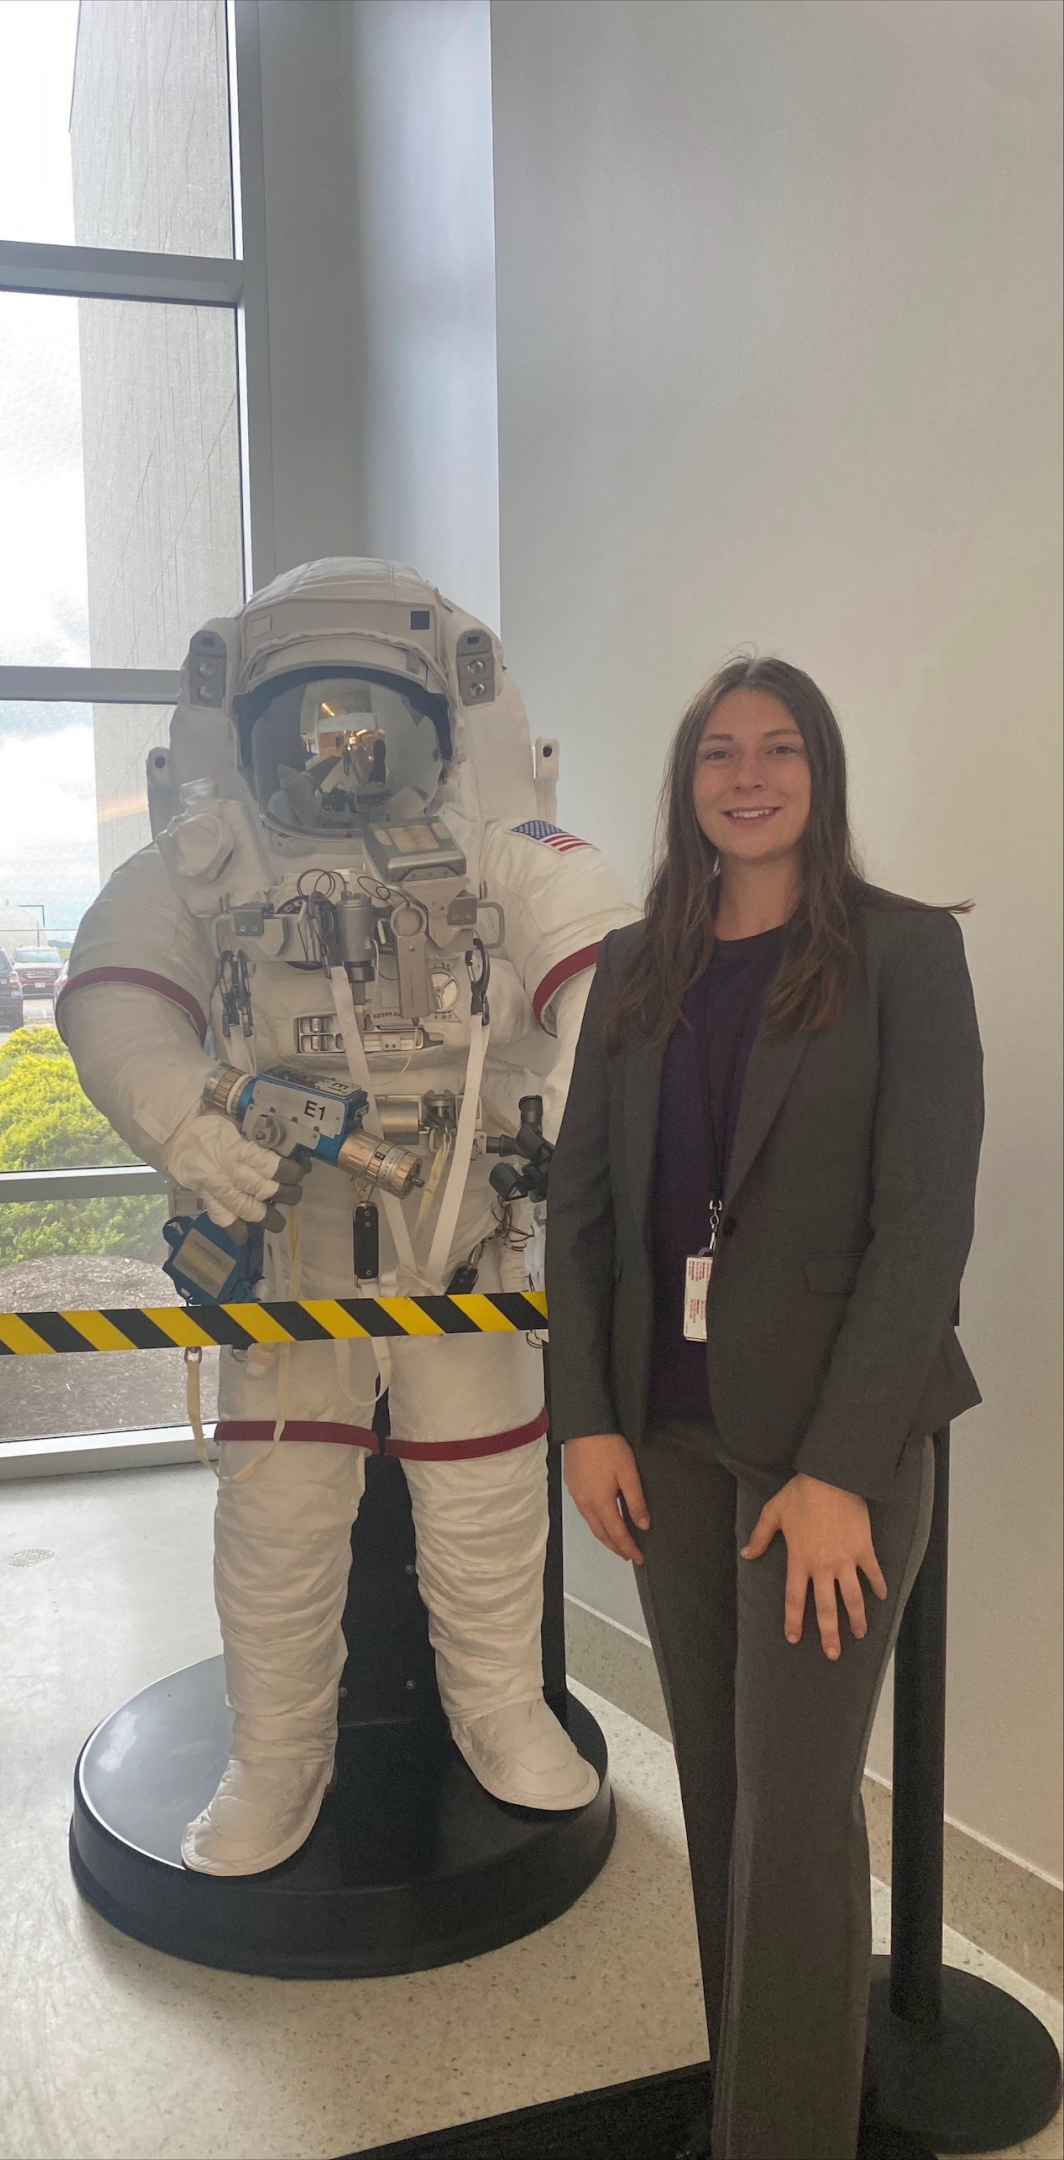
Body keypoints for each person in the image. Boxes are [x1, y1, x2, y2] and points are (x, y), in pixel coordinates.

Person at [58, 557, 637, 1877]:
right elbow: (113, 991)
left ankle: (500, 1709)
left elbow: (613, 965)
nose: (337, 752)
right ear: (253, 731)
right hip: (288, 1230)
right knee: (279, 1504)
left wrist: (607, 1107)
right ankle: (276, 1753)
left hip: (459, 1226)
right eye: (306, 721)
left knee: (484, 1486)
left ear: (436, 729)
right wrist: (187, 1127)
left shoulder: (504, 852)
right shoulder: (205, 862)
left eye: (364, 718)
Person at [546, 656, 983, 2160]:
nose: (747, 775)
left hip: (827, 1460)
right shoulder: (633, 968)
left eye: (777, 748)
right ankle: (762, 2105)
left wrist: (843, 1469)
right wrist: (584, 1422)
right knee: (726, 1800)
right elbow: (583, 1215)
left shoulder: (902, 953)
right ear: (684, 783)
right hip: (663, 1441)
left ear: (819, 773)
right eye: (718, 752)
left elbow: (922, 1229)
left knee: (795, 1821)